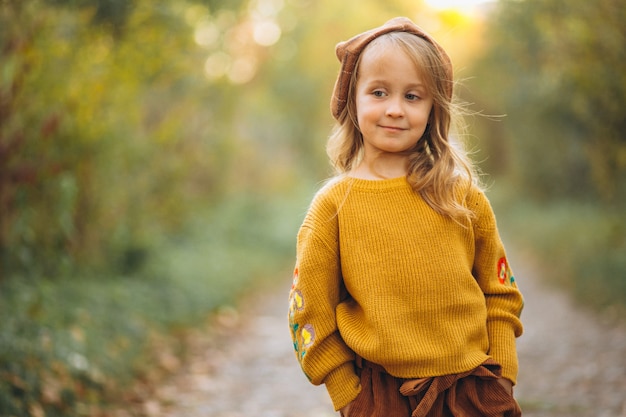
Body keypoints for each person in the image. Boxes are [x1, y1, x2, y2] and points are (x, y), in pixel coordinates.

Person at [288, 17, 524, 417]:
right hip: (380, 397)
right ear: (353, 100)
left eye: (413, 96)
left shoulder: (459, 194)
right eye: (379, 92)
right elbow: (307, 309)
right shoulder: (334, 206)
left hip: (473, 389)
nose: (395, 109)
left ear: (433, 109)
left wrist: (502, 373)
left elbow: (499, 291)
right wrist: (348, 395)